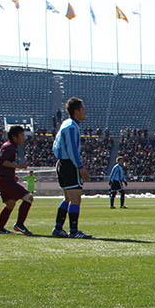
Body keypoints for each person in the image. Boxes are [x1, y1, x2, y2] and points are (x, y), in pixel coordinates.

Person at [51, 96, 92, 238]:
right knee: (76, 198)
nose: (85, 111)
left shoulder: (66, 124)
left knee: (68, 198)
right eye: (83, 108)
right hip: (69, 165)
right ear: (76, 111)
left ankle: (58, 228)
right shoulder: (71, 127)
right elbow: (72, 150)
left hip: (62, 163)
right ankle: (73, 231)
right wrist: (80, 167)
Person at [0, 125, 33, 235]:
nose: (23, 137)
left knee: (10, 204)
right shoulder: (10, 147)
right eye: (22, 135)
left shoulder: (8, 146)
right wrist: (18, 166)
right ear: (14, 137)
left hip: (2, 179)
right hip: (4, 180)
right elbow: (2, 161)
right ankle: (19, 225)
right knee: (28, 198)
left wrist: (12, 174)